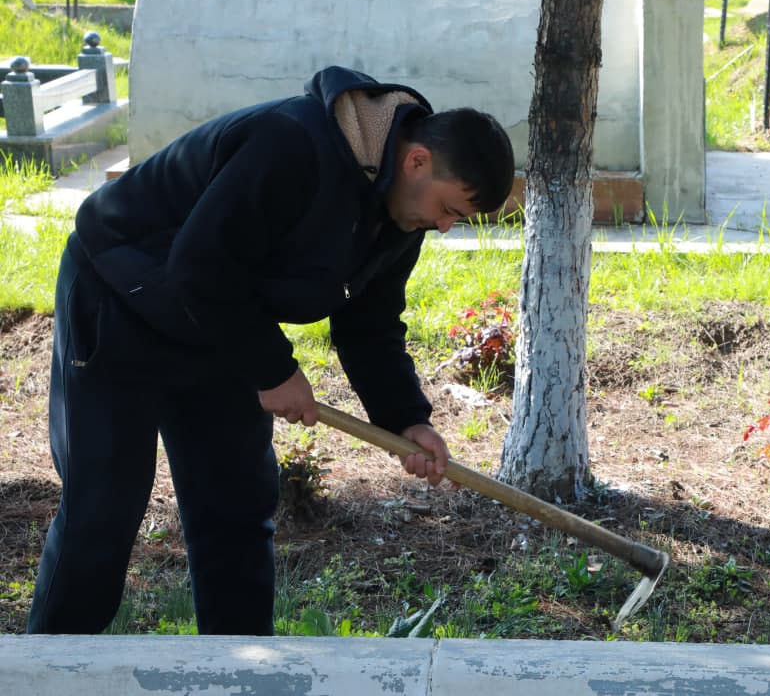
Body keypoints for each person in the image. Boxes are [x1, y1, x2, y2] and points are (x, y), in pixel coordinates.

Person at [28, 66, 515, 635]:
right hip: (120, 293)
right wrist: (274, 369)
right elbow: (200, 264)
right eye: (451, 210)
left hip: (223, 321)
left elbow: (370, 323)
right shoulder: (293, 144)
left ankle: (241, 673)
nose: (446, 227)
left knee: (234, 510)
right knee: (102, 511)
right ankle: (48, 669)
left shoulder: (401, 211)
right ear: (416, 161)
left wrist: (407, 418)